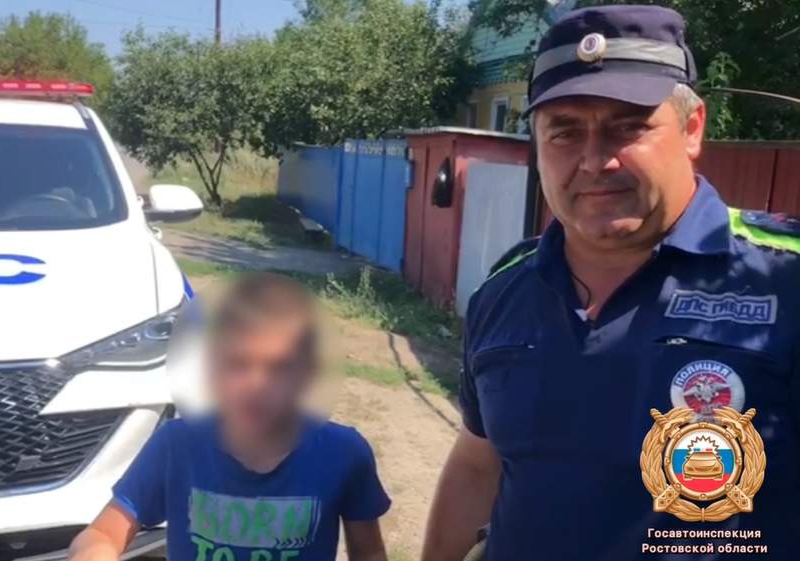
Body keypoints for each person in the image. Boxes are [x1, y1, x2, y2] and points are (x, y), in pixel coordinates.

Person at [422, 5, 799, 561]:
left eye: (628, 126)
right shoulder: (505, 290)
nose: (596, 161)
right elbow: (481, 462)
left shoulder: (782, 281)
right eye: (565, 132)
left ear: (692, 128)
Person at [69, 273, 391, 561]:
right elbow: (103, 533)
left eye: (279, 367)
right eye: (238, 364)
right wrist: (95, 551)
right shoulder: (176, 445)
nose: (257, 385)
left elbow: (368, 552)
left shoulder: (344, 454)